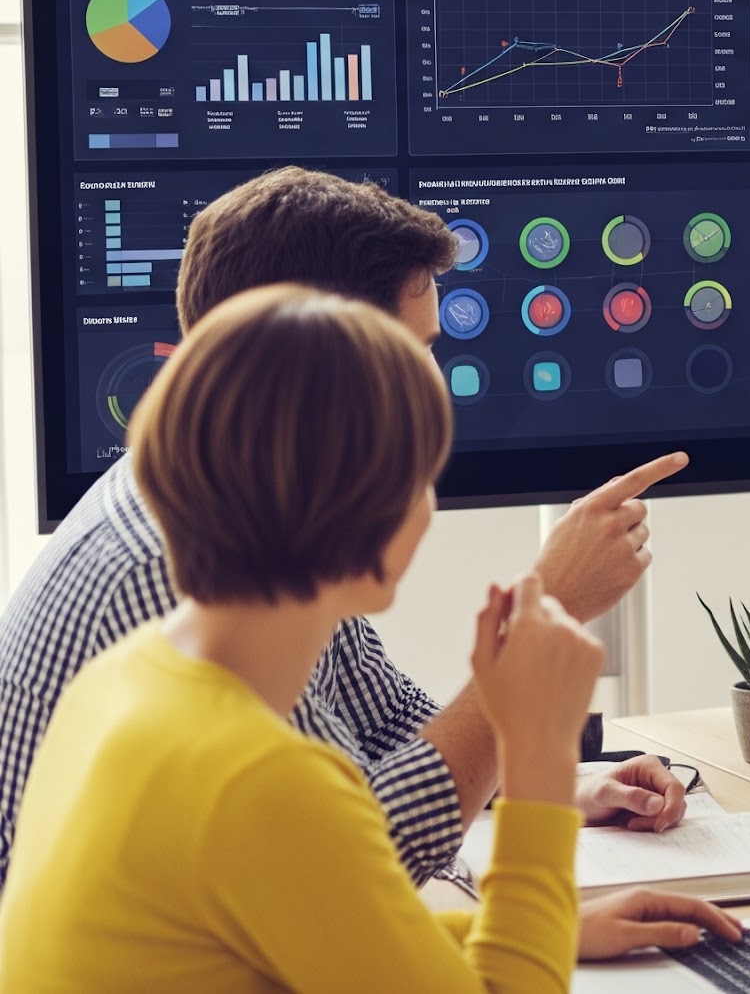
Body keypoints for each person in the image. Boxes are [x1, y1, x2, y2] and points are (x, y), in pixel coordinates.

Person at [0, 287, 743, 989]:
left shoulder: (127, 676)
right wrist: (538, 757)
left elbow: (320, 924)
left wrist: (541, 926)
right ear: (377, 525)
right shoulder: (261, 781)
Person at [0, 167, 692, 890]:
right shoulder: (175, 573)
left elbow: (379, 719)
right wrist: (546, 612)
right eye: (413, 353)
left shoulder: (245, 499)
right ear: (321, 361)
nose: (434, 382)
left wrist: (554, 784)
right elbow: (356, 859)